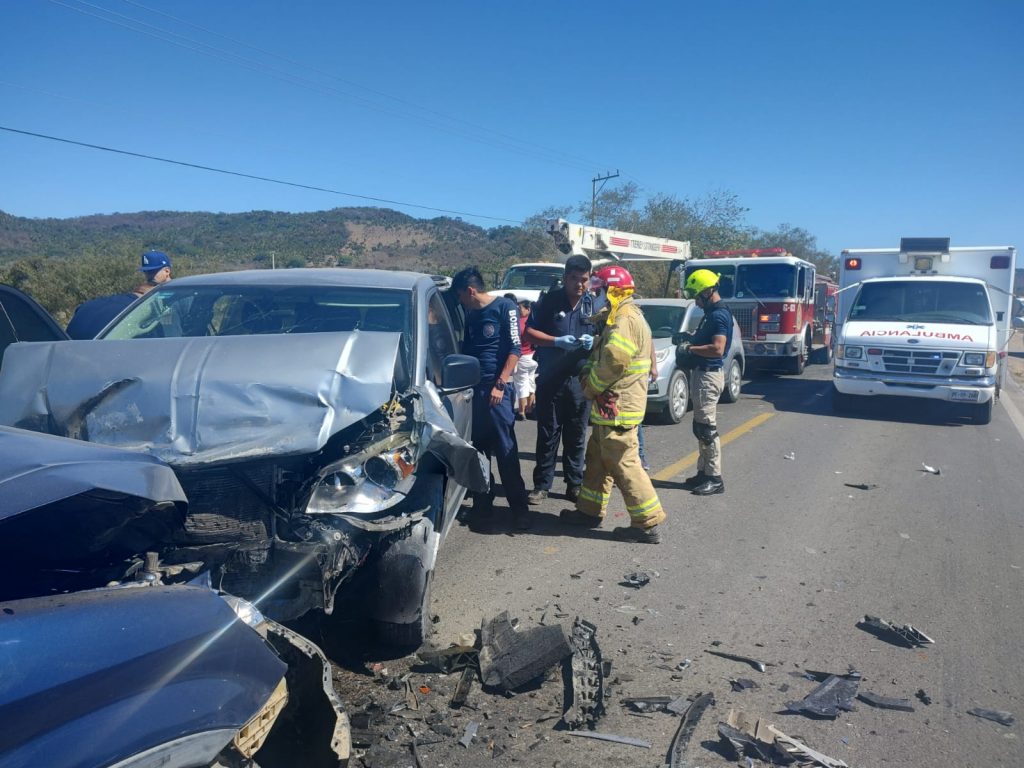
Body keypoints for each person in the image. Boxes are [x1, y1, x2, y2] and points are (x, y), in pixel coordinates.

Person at [560, 265, 665, 544]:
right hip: (612, 405)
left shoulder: (625, 318)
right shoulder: (620, 315)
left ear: (614, 291)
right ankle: (589, 511)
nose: (595, 295)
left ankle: (647, 523)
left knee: (623, 462)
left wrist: (591, 387)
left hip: (618, 404)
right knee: (597, 458)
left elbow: (616, 359)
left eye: (600, 290)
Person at [451, 267, 530, 529]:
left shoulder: (504, 307)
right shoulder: (471, 314)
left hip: (497, 391)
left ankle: (519, 510)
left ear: (471, 291)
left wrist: (501, 383)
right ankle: (483, 506)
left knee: (506, 450)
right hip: (473, 392)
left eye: (461, 296)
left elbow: (515, 349)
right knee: (479, 451)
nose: (461, 301)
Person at [523, 255, 595, 504]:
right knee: (548, 434)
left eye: (584, 279)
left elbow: (606, 336)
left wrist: (595, 341)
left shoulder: (594, 305)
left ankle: (574, 484)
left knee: (576, 435)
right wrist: (555, 341)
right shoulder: (549, 302)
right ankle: (542, 485)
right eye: (574, 279)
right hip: (551, 379)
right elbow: (528, 332)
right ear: (565, 278)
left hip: (580, 380)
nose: (579, 284)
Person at [677, 268, 733, 496]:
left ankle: (714, 477)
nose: (697, 302)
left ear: (709, 291)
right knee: (699, 428)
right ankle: (703, 472)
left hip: (708, 376)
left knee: (706, 429)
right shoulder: (712, 314)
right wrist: (690, 339)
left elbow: (718, 348)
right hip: (703, 374)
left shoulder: (719, 315)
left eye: (698, 297)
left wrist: (689, 348)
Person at [66, 250, 173, 339]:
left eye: (153, 271)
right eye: (147, 272)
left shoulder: (169, 296)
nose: (149, 275)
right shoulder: (143, 306)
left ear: (167, 271)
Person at [513, 299, 537, 420]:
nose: (518, 310)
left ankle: (521, 412)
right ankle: (530, 408)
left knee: (521, 385)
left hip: (522, 356)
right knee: (531, 383)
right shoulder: (534, 322)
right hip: (532, 356)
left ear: (528, 309)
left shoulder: (519, 324)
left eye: (520, 308)